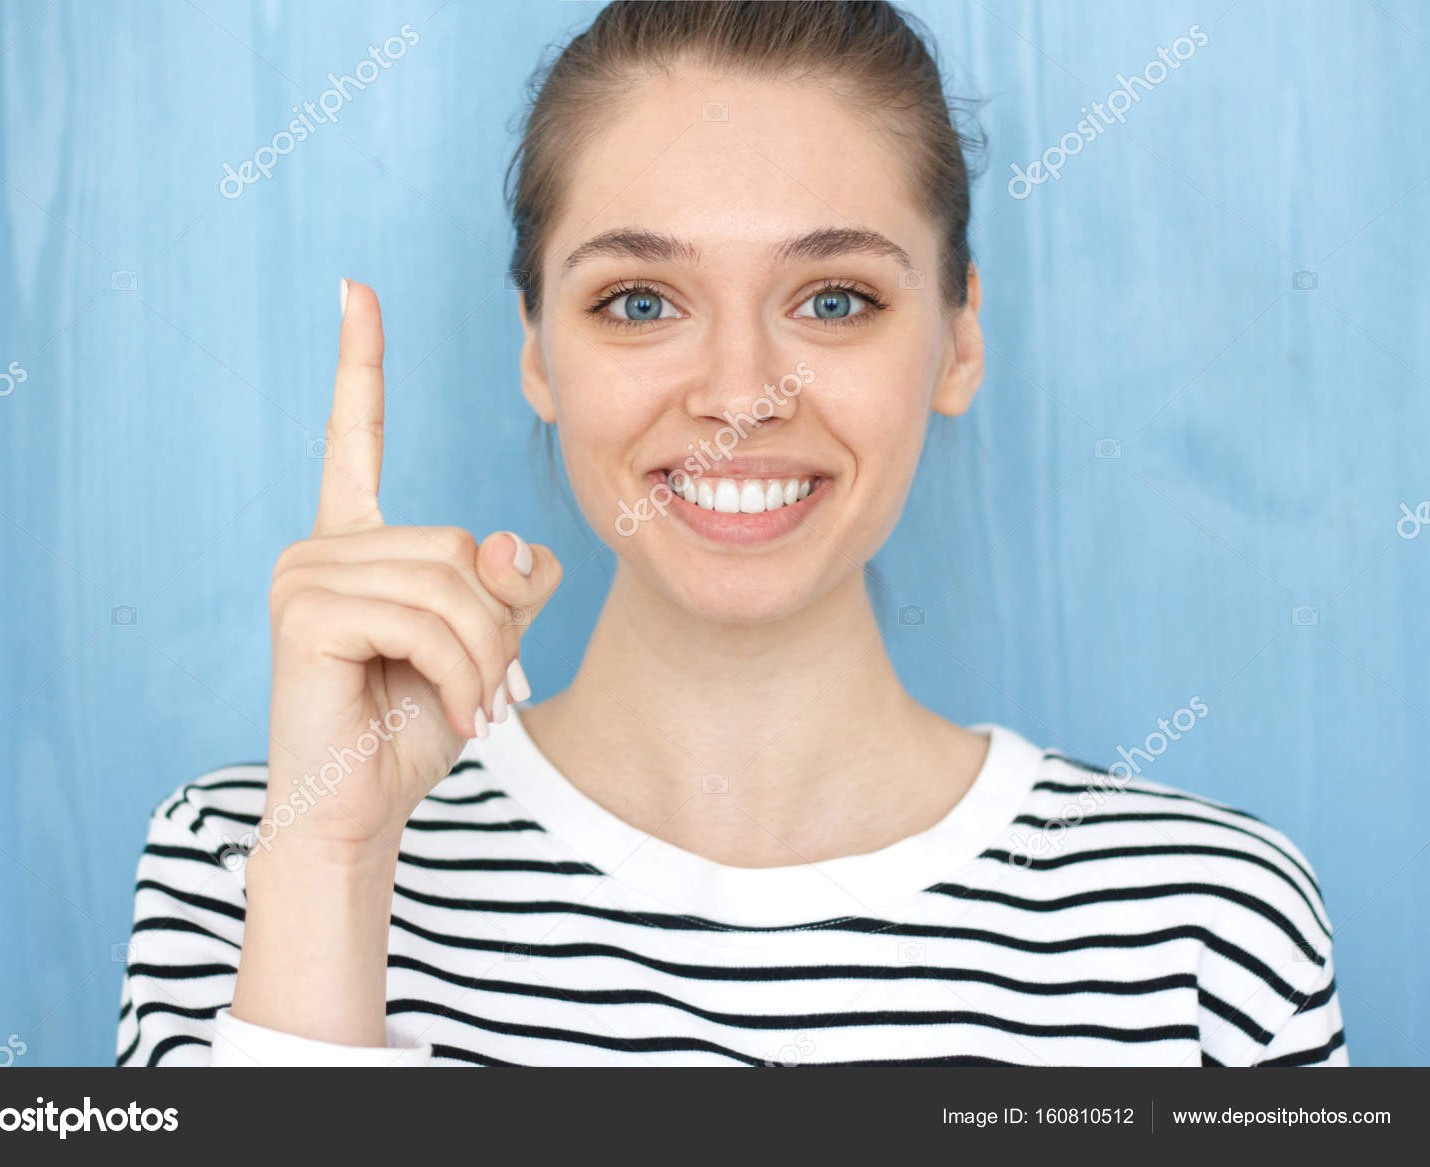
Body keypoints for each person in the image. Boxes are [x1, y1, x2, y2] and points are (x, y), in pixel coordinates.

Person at [118, 0, 1343, 1067]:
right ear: (537, 348)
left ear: (959, 338)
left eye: (834, 299)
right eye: (640, 301)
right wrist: (333, 862)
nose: (741, 392)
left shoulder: (1200, 930)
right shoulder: (245, 863)